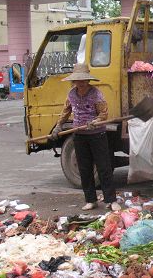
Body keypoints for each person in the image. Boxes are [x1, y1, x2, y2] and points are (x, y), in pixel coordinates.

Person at [52, 63, 121, 211]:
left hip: (97, 135)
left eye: (83, 80)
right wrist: (58, 126)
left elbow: (103, 114)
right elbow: (65, 112)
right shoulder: (71, 94)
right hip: (79, 135)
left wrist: (95, 121)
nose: (81, 83)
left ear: (88, 80)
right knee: (84, 168)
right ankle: (91, 200)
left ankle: (111, 200)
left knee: (104, 167)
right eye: (78, 81)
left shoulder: (96, 94)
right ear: (74, 81)